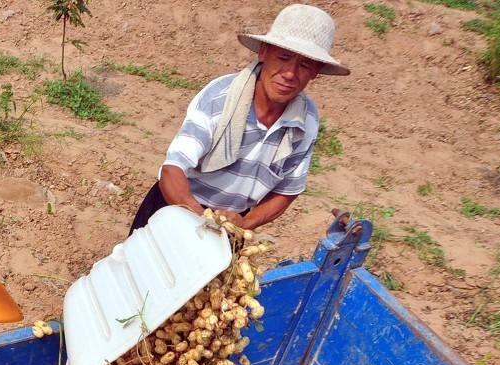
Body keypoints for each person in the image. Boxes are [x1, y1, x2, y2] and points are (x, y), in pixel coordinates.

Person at [130, 4, 348, 234]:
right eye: (284, 58)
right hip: (176, 205)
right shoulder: (220, 98)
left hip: (231, 225)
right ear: (264, 52)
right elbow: (173, 169)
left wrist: (245, 223)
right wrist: (198, 219)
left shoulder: (307, 121)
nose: (290, 74)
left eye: (305, 65)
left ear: (316, 71)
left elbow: (287, 191)